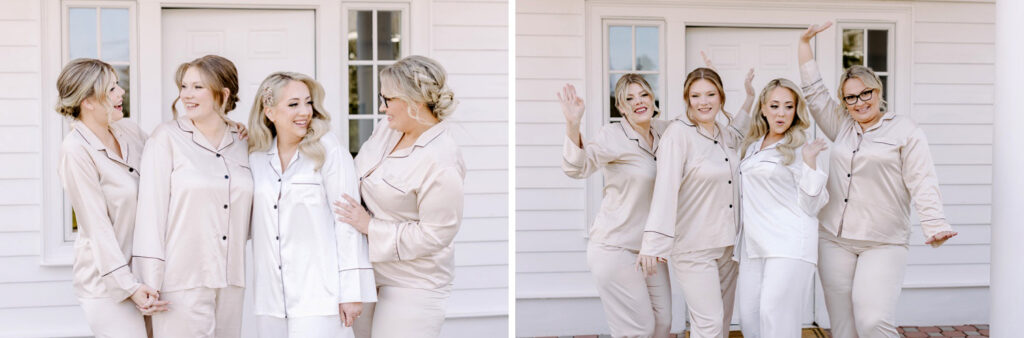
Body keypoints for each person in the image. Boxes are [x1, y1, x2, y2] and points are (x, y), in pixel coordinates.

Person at [798, 21, 957, 337]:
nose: (859, 103)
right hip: (834, 239)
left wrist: (934, 222)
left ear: (877, 90)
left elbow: (922, 179)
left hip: (883, 241)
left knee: (872, 321)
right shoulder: (841, 125)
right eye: (850, 98)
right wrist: (804, 43)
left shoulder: (904, 130)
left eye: (865, 93)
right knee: (842, 326)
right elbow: (814, 93)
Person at [333, 55, 464, 338]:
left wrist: (370, 227)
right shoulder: (387, 129)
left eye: (388, 99)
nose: (382, 107)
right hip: (367, 272)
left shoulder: (441, 159)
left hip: (413, 282)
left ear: (413, 102)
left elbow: (436, 234)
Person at [132, 55, 254, 338]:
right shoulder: (166, 138)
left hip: (230, 278)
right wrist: (148, 281)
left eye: (197, 87)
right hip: (180, 280)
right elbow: (150, 214)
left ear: (223, 93)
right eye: (184, 86)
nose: (186, 95)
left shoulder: (243, 142)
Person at [247, 72, 376, 337]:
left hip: (320, 296)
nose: (305, 111)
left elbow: (347, 224)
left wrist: (351, 292)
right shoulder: (255, 157)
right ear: (269, 112)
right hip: (270, 298)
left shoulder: (330, 150)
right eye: (293, 104)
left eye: (308, 102)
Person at [54, 58, 168, 337]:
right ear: (88, 101)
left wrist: (224, 128)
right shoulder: (76, 150)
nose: (121, 93)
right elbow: (96, 227)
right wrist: (129, 286)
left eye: (118, 86)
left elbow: (174, 157)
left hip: (150, 272)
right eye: (112, 88)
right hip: (108, 285)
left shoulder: (129, 130)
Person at [639, 65, 754, 338]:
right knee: (709, 324)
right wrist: (652, 243)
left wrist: (749, 99)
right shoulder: (678, 135)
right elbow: (665, 189)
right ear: (687, 100)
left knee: (722, 322)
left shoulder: (724, 134)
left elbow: (739, 132)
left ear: (721, 97)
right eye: (696, 96)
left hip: (728, 245)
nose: (703, 102)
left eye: (710, 94)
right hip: (693, 248)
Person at [558, 75, 671, 338]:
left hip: (651, 249)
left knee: (664, 323)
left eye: (643, 94)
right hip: (615, 247)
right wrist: (573, 124)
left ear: (652, 98)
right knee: (638, 330)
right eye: (628, 99)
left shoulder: (665, 131)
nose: (638, 102)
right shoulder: (612, 135)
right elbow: (577, 167)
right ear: (620, 108)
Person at [734, 78, 829, 338]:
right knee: (750, 318)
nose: (781, 113)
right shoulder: (752, 145)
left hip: (789, 243)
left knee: (774, 315)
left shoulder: (800, 147)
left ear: (796, 111)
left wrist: (810, 163)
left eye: (788, 107)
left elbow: (813, 205)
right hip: (754, 245)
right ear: (763, 108)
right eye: (774, 106)